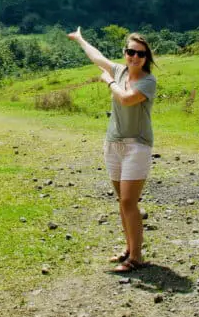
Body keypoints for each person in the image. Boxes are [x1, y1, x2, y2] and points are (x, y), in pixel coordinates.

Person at [67, 27, 157, 272]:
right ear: (125, 53)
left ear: (146, 57)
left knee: (129, 201)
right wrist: (81, 39)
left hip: (136, 145)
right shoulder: (119, 70)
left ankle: (136, 257)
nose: (134, 57)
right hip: (113, 143)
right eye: (130, 52)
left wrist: (108, 82)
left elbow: (127, 98)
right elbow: (98, 58)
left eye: (140, 53)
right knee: (122, 201)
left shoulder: (148, 81)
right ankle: (129, 248)